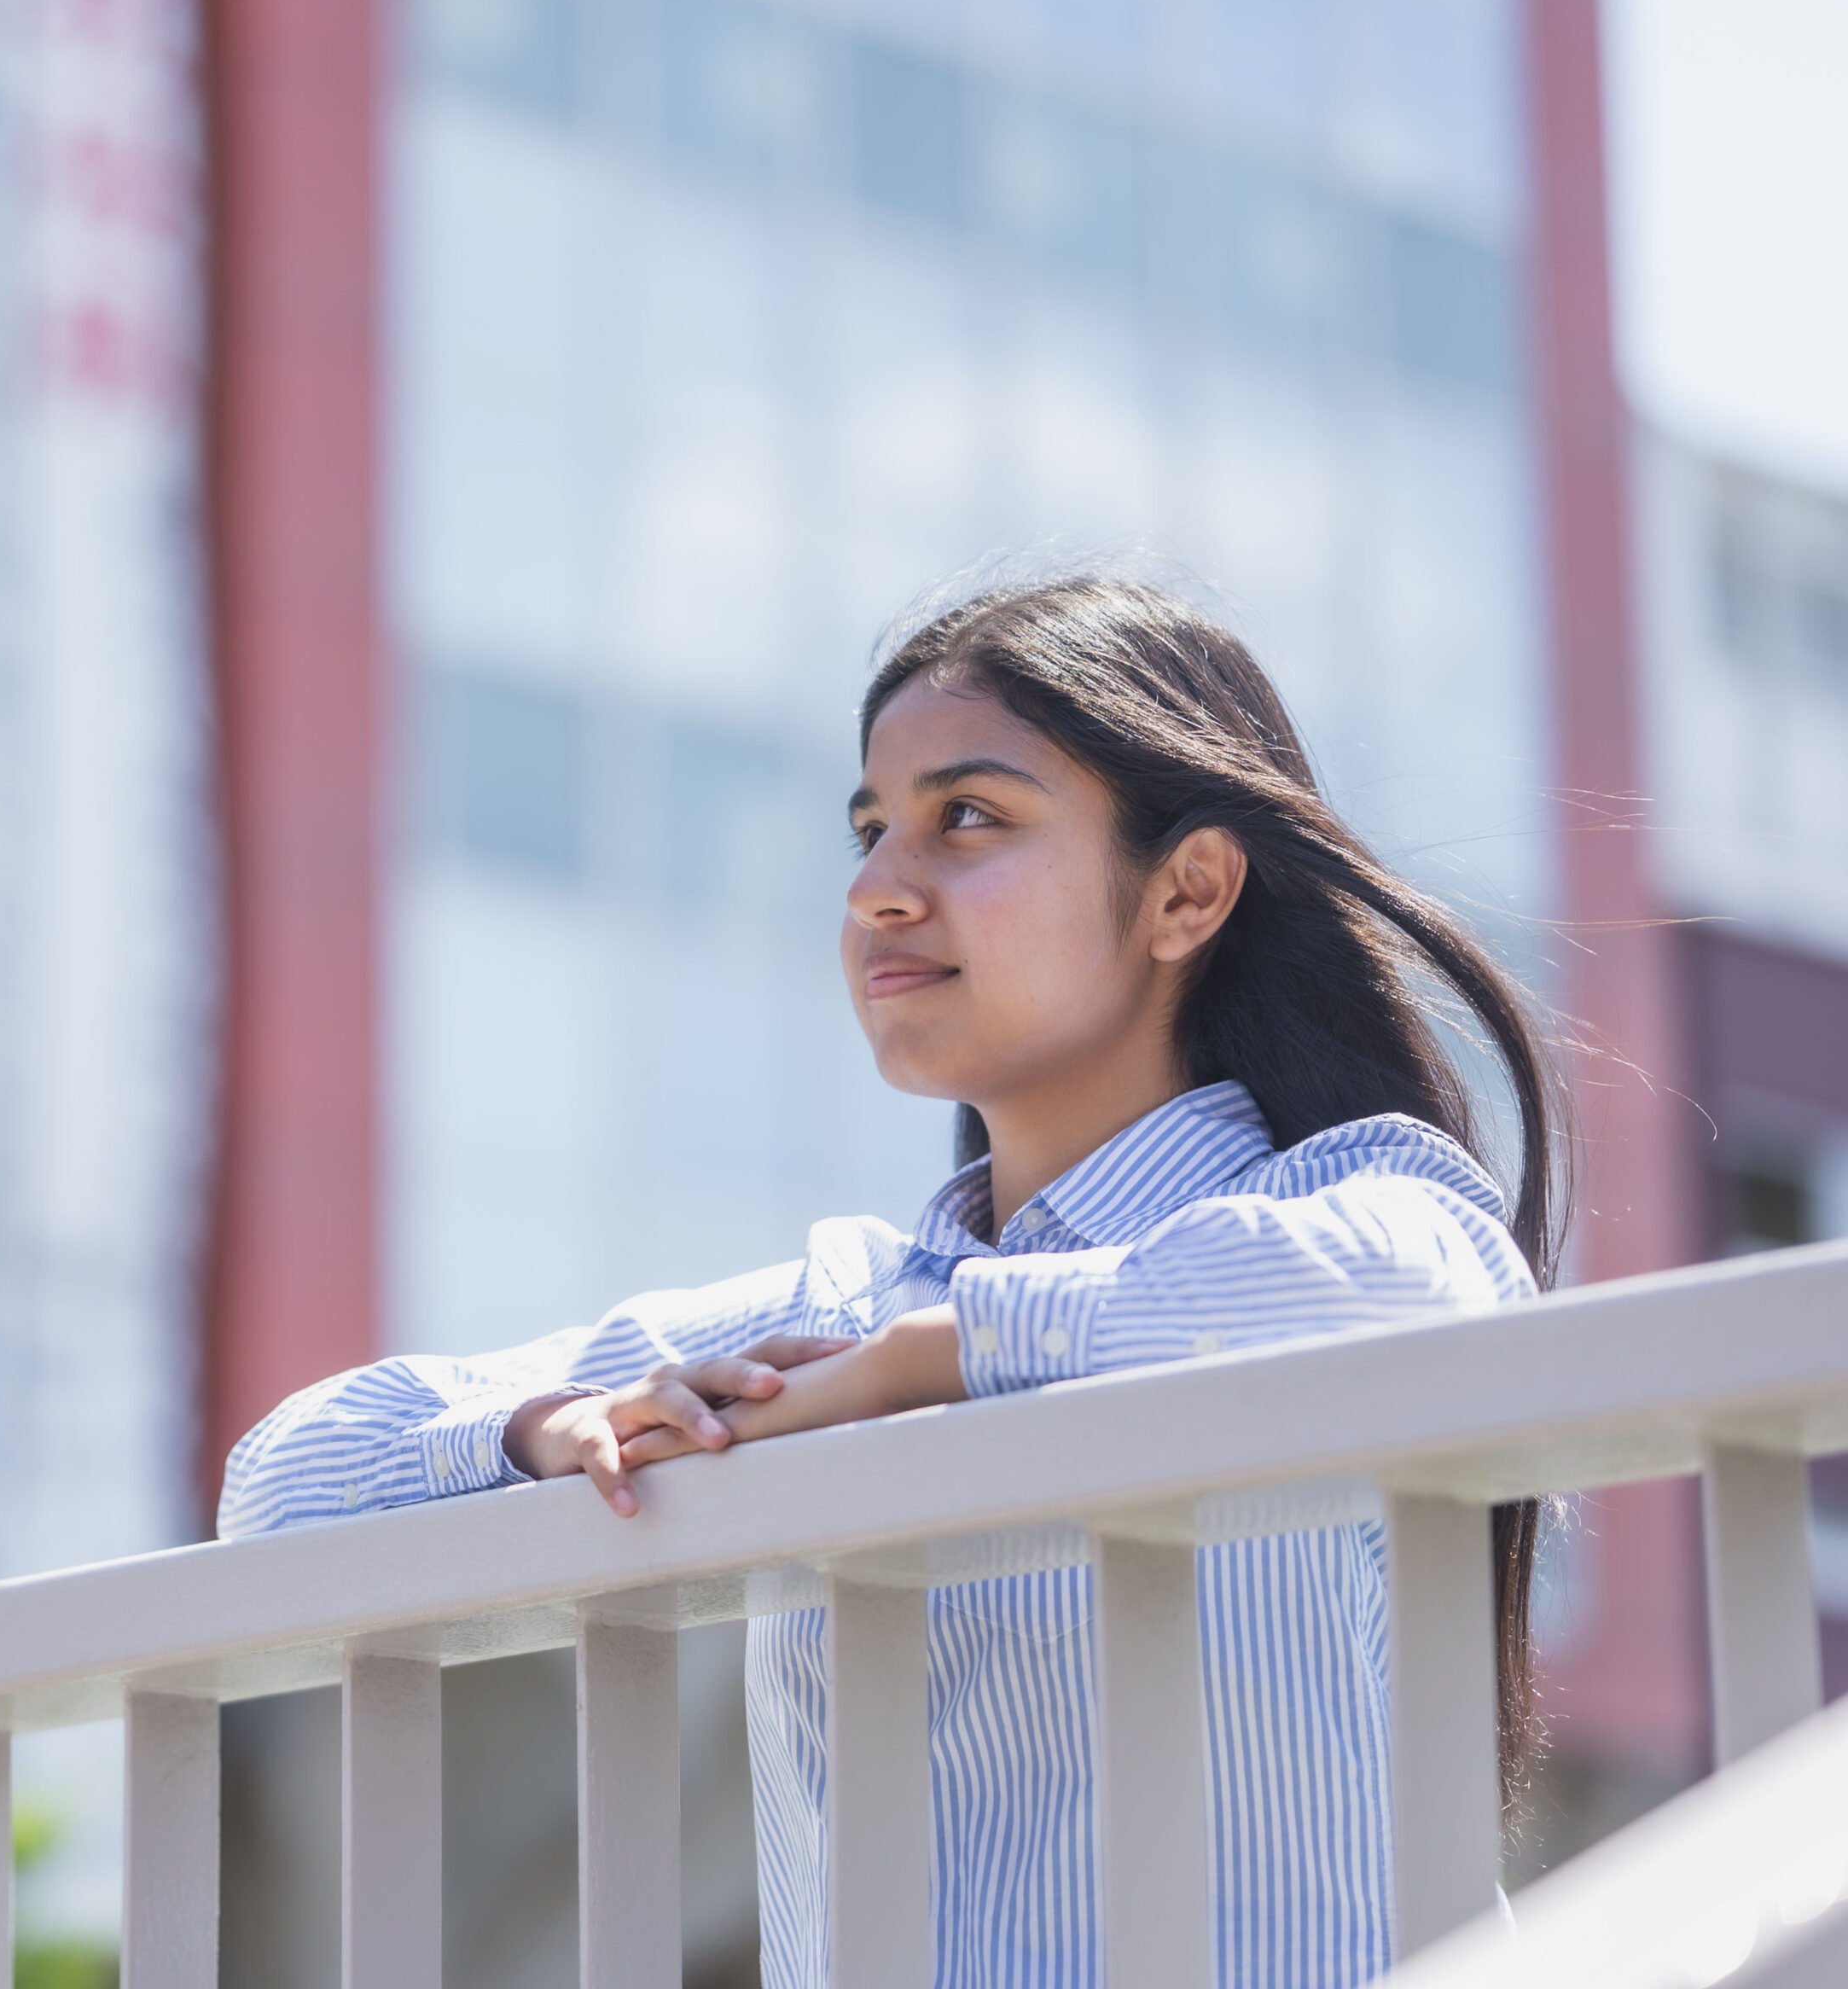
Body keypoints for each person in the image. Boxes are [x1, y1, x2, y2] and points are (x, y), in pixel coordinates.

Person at [219, 574, 1564, 1989]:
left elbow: (1434, 1299)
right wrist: (543, 1435)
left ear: (1189, 889)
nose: (877, 890)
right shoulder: (835, 1316)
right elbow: (281, 1485)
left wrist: (942, 1357)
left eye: (966, 817)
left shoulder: (1344, 1204)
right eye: (870, 831)